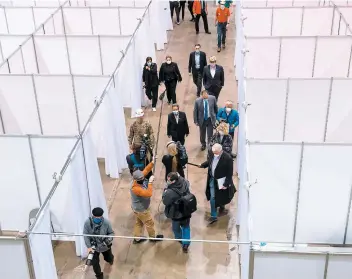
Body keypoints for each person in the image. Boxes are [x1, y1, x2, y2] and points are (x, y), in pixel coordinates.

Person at [199, 144, 236, 225]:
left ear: (220, 150)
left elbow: (229, 173)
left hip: (221, 181)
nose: (214, 154)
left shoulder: (228, 159)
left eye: (216, 153)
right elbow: (210, 161)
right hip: (212, 179)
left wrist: (226, 184)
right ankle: (213, 216)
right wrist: (203, 165)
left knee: (221, 196)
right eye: (213, 152)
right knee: (213, 198)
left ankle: (221, 206)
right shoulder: (212, 153)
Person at [131, 160, 164, 244]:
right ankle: (153, 238)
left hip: (137, 209)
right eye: (142, 178)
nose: (143, 178)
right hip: (142, 210)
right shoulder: (136, 188)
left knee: (139, 223)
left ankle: (137, 238)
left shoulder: (137, 179)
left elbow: (146, 170)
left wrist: (152, 162)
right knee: (149, 223)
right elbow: (148, 194)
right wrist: (150, 183)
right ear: (137, 179)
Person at [162, 172, 192, 253]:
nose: (167, 181)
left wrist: (164, 191)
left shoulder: (169, 192)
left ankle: (179, 238)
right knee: (186, 227)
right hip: (186, 210)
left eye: (169, 180)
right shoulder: (184, 182)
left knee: (175, 228)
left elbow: (165, 202)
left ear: (173, 181)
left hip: (176, 213)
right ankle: (186, 244)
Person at [83, 207, 114, 279]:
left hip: (104, 246)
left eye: (99, 218)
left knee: (108, 257)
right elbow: (85, 235)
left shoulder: (106, 223)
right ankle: (99, 276)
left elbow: (111, 233)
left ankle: (110, 260)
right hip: (94, 247)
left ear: (102, 216)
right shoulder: (87, 223)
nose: (97, 219)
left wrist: (107, 241)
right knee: (95, 263)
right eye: (95, 217)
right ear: (92, 216)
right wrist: (89, 247)